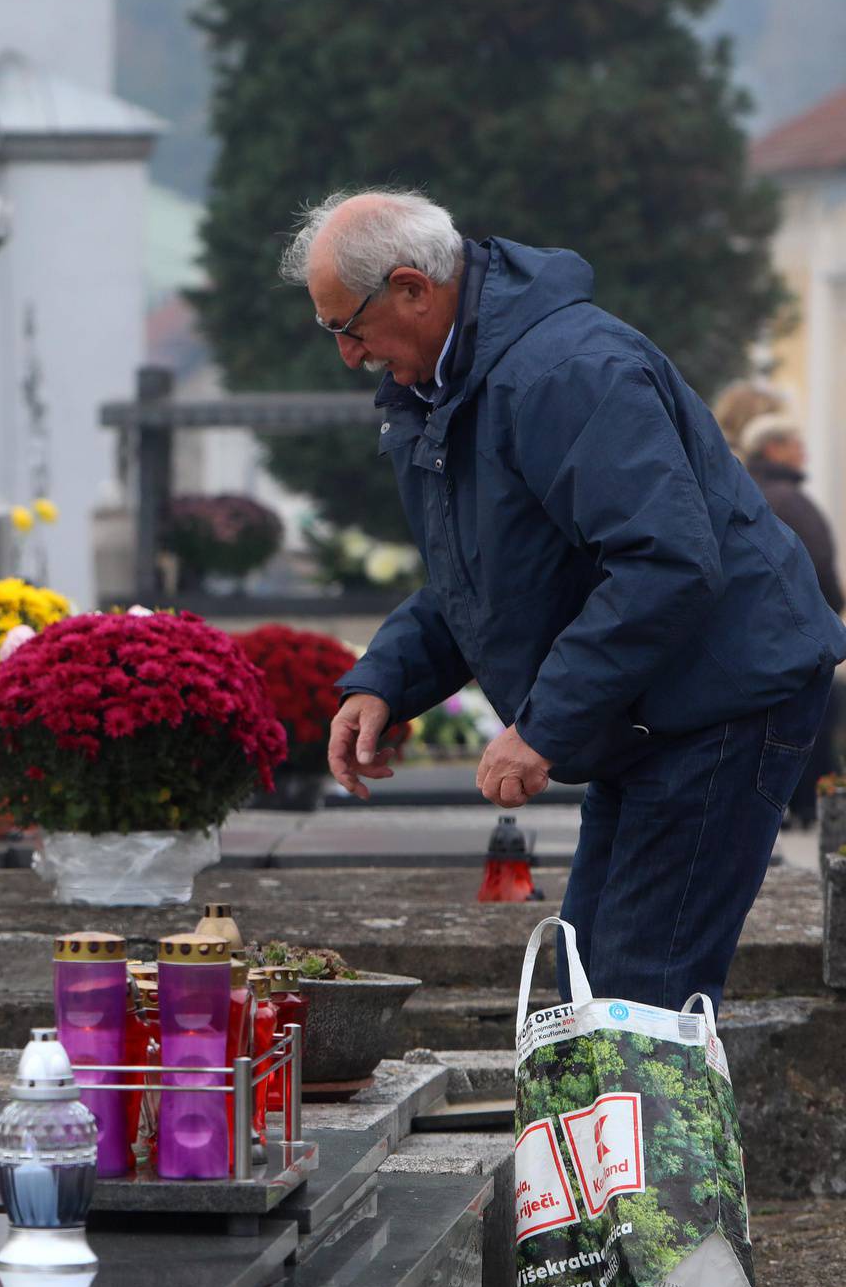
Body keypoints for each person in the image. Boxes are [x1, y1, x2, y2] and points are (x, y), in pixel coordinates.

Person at [282, 187, 846, 1012]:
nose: (348, 354)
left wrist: (542, 726)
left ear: (412, 287)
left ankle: (650, 1143)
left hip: (723, 697)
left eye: (348, 326)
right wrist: (384, 678)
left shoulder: (563, 371)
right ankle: (620, 1139)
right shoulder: (458, 384)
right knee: (587, 990)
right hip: (656, 706)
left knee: (637, 1003)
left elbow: (667, 565)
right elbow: (487, 579)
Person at [740, 413, 844, 825]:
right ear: (773, 449)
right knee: (811, 718)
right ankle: (804, 809)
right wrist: (828, 614)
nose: (803, 452)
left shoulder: (747, 490)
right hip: (794, 633)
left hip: (756, 636)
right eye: (795, 443)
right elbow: (818, 565)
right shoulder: (789, 499)